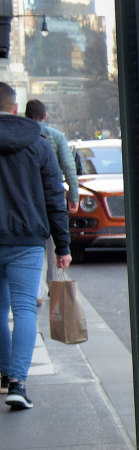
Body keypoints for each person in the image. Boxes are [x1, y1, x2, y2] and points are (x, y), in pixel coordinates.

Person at [0, 82, 71, 410]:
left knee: (0, 311)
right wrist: (62, 245)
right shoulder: (40, 145)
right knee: (25, 309)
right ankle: (18, 382)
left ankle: (3, 376)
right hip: (27, 240)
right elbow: (55, 196)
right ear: (15, 108)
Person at [24, 99, 78, 303]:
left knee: (33, 250)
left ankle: (36, 291)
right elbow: (69, 167)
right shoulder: (56, 137)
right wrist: (73, 196)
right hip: (53, 199)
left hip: (30, 202)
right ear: (44, 116)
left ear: (25, 116)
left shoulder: (23, 138)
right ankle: (54, 289)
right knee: (53, 246)